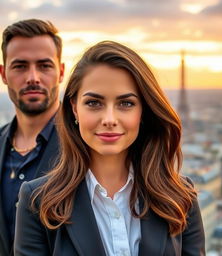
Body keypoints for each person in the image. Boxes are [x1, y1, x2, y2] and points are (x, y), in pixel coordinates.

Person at [14, 41, 205, 256]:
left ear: (143, 111)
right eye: (94, 103)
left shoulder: (181, 197)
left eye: (126, 103)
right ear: (74, 108)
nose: (109, 119)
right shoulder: (37, 202)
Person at [0, 19, 64, 255]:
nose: (33, 77)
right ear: (3, 74)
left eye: (44, 65)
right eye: (20, 66)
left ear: (61, 72)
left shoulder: (88, 147)